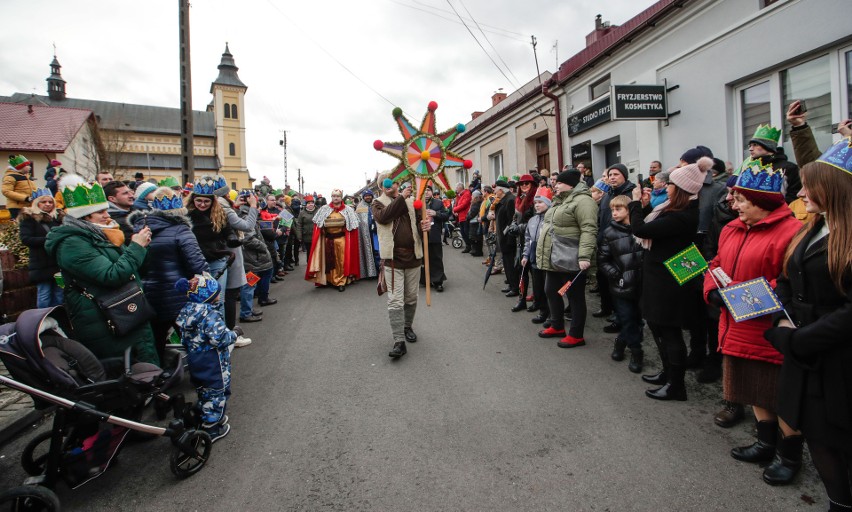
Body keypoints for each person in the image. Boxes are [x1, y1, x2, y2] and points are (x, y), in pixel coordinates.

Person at [764, 134, 852, 506]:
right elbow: (789, 277)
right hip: (803, 350)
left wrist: (800, 338)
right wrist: (784, 315)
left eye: (808, 187)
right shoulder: (814, 227)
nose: (799, 194)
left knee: (840, 437)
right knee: (816, 435)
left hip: (838, 359)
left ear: (833, 189)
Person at [703, 161, 802, 484]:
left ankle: (789, 456)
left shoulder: (791, 232)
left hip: (767, 329)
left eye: (741, 200)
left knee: (779, 394)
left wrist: (739, 298)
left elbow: (787, 281)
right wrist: (712, 292)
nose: (734, 204)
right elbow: (716, 264)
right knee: (754, 389)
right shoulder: (733, 228)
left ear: (762, 202)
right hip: (735, 325)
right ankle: (764, 442)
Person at [44, 180, 158, 364]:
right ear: (85, 217)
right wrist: (137, 247)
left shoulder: (101, 233)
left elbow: (131, 268)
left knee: (142, 366)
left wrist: (145, 248)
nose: (107, 215)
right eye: (101, 212)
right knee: (124, 369)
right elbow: (111, 275)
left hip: (124, 310)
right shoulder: (72, 244)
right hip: (104, 318)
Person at [629, 157, 711, 401]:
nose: (666, 187)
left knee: (670, 331)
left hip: (669, 280)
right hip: (659, 275)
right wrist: (644, 207)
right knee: (657, 326)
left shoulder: (682, 216)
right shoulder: (671, 210)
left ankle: (677, 386)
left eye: (672, 185)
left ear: (682, 190)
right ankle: (667, 373)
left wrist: (634, 204)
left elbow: (641, 230)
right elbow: (651, 226)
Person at [130, 187, 209, 360]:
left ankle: (155, 375)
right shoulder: (181, 230)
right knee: (191, 336)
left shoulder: (139, 230)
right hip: (178, 292)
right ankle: (203, 375)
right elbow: (197, 263)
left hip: (148, 292)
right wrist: (208, 280)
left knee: (157, 337)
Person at [535, 169, 598, 348]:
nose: (555, 185)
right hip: (554, 256)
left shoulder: (584, 201)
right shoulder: (560, 200)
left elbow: (589, 229)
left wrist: (585, 255)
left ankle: (576, 335)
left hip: (571, 257)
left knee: (574, 296)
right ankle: (557, 326)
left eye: (559, 183)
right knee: (550, 290)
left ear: (570, 184)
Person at [174, 272, 237, 442]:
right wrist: (234, 334)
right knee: (217, 391)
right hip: (213, 361)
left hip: (196, 358)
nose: (219, 295)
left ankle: (208, 414)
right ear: (208, 296)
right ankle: (212, 427)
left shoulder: (188, 311)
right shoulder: (209, 315)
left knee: (204, 390)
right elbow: (221, 338)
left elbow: (184, 339)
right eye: (216, 293)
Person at [371, 178, 431, 358]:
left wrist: (425, 227)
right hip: (392, 260)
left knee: (411, 297)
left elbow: (419, 228)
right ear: (381, 188)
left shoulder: (414, 202)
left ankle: (407, 327)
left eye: (393, 183)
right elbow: (383, 218)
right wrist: (401, 199)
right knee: (395, 300)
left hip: (413, 257)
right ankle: (398, 341)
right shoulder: (377, 203)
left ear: (398, 184)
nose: (390, 187)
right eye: (385, 185)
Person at [599, 195, 645, 373]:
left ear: (628, 210)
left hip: (641, 284)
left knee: (638, 319)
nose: (614, 213)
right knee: (627, 318)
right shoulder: (609, 233)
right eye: (612, 210)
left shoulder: (640, 230)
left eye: (618, 209)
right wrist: (616, 275)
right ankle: (636, 352)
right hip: (621, 285)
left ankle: (621, 342)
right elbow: (603, 260)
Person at [595, 164, 636, 323]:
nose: (612, 177)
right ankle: (606, 307)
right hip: (605, 242)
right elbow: (601, 217)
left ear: (624, 176)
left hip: (622, 245)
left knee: (619, 281)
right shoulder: (607, 194)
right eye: (610, 174)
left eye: (616, 174)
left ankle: (620, 316)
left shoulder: (630, 193)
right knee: (603, 277)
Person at [305, 188, 360, 291]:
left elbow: (352, 227)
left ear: (341, 197)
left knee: (341, 261)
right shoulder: (324, 209)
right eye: (334, 196)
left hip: (341, 240)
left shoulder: (348, 209)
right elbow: (318, 225)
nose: (336, 198)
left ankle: (340, 281)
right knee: (329, 260)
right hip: (328, 239)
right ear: (331, 197)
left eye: (338, 196)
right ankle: (329, 279)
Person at [18, 189, 64, 308]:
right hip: (41, 263)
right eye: (44, 202)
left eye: (50, 202)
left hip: (57, 261)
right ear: (37, 203)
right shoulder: (29, 219)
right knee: (44, 295)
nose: (48, 204)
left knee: (60, 294)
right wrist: (49, 240)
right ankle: (42, 321)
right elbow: (26, 239)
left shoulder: (57, 218)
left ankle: (59, 320)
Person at [521, 187, 552, 325]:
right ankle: (543, 312)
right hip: (534, 260)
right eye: (536, 203)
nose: (537, 205)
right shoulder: (532, 220)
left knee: (549, 289)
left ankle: (553, 314)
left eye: (541, 202)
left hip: (548, 260)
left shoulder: (552, 219)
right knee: (538, 289)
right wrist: (525, 255)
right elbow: (528, 240)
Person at [509, 174, 539, 312]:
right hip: (521, 241)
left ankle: (538, 301)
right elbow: (516, 216)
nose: (524, 186)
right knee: (522, 272)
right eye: (522, 184)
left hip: (533, 242)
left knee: (535, 274)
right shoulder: (519, 199)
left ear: (532, 185)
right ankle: (521, 300)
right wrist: (513, 225)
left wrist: (519, 227)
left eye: (527, 183)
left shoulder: (535, 200)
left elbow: (535, 222)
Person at [420, 185, 449, 291]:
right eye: (424, 190)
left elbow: (446, 216)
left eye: (428, 190)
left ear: (432, 192)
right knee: (423, 259)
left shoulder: (438, 202)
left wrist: (436, 213)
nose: (426, 192)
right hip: (421, 235)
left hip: (434, 235)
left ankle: (438, 281)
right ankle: (425, 280)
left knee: (436, 258)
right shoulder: (418, 203)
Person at [493, 179, 519, 297]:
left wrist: (509, 239)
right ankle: (510, 284)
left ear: (500, 190)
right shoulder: (503, 200)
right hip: (503, 237)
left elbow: (510, 221)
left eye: (495, 189)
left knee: (510, 263)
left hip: (508, 239)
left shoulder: (509, 200)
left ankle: (514, 287)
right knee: (507, 263)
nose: (494, 191)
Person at [3, 155, 37, 219]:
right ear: (21, 167)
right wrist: (25, 198)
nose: (30, 167)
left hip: (28, 206)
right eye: (27, 165)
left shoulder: (27, 177)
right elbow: (6, 191)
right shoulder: (10, 177)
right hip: (17, 207)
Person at [355, 190, 379, 279]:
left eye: (369, 195)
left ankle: (380, 270)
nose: (368, 197)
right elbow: (359, 222)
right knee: (368, 251)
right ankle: (370, 272)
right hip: (366, 233)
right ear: (363, 197)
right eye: (366, 196)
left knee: (378, 251)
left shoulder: (377, 204)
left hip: (376, 233)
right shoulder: (359, 207)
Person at [452, 182, 472, 253]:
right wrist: (455, 211)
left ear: (460, 188)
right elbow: (456, 204)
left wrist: (455, 210)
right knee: (463, 233)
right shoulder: (459, 196)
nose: (456, 189)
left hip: (465, 217)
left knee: (466, 232)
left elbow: (464, 205)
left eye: (456, 188)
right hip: (461, 217)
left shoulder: (467, 194)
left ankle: (469, 246)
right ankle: (468, 246)